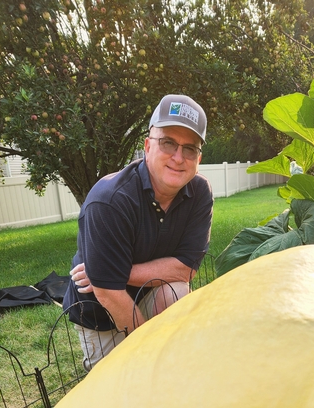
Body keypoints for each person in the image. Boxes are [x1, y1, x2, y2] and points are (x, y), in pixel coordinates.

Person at [63, 94, 213, 370]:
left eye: (190, 149)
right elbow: (107, 293)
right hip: (100, 311)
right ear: (147, 145)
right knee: (119, 382)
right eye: (168, 143)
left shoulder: (200, 192)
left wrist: (110, 273)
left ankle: (170, 366)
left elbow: (186, 270)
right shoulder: (109, 200)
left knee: (177, 292)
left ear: (198, 158)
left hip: (147, 293)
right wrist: (149, 350)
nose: (178, 157)